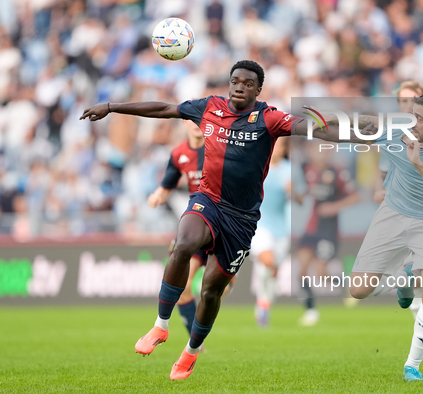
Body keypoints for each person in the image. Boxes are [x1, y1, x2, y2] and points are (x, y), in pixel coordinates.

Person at [80, 60, 348, 380]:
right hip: (207, 200)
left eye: (248, 83)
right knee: (183, 245)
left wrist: (361, 131)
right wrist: (111, 107)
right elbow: (164, 108)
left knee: (210, 291)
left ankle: (190, 352)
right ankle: (160, 326)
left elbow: (313, 127)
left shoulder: (269, 117)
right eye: (235, 81)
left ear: (258, 90)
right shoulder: (209, 107)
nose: (240, 86)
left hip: (242, 220)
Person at [348, 93, 423, 382]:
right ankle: (403, 280)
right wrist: (318, 123)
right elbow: (357, 129)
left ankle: (412, 366)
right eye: (412, 114)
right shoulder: (397, 128)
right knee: (358, 291)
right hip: (393, 213)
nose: (412, 121)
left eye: (420, 117)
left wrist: (418, 162)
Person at [147, 120, 233, 338]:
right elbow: (167, 185)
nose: (197, 124)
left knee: (216, 290)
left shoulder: (221, 148)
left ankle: (229, 280)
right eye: (193, 120)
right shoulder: (178, 154)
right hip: (198, 221)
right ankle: (195, 340)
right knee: (183, 289)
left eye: (202, 120)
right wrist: (158, 195)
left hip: (223, 223)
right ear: (185, 122)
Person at [296, 140, 360, 326]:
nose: (322, 153)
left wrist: (334, 207)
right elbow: (299, 196)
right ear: (310, 150)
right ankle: (310, 311)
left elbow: (355, 196)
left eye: (326, 150)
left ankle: (346, 284)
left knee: (321, 273)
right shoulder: (302, 169)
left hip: (327, 230)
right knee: (301, 270)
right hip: (308, 229)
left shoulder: (337, 172)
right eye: (318, 149)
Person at [250, 137, 295, 327]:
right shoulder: (257, 164)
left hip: (282, 229)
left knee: (271, 270)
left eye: (281, 145)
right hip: (259, 225)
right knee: (267, 260)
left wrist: (293, 192)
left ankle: (263, 305)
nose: (277, 148)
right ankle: (263, 304)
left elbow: (301, 199)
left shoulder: (290, 170)